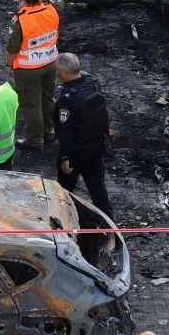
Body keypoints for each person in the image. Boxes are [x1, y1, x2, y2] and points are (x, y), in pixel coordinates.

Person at [6, 0, 77, 151]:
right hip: (50, 64)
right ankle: (49, 132)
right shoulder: (52, 8)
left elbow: (12, 47)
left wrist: (9, 64)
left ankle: (34, 141)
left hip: (28, 70)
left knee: (30, 105)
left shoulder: (19, 19)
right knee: (48, 98)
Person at [54, 52, 113, 215]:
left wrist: (65, 157)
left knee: (63, 191)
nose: (58, 76)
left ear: (64, 73)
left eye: (58, 73)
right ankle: (111, 229)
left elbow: (66, 131)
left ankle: (61, 225)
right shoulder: (92, 83)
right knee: (98, 191)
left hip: (76, 152)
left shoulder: (68, 98)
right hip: (96, 146)